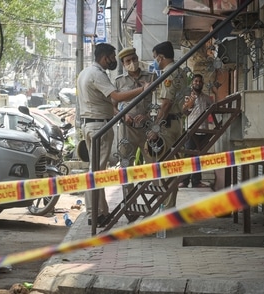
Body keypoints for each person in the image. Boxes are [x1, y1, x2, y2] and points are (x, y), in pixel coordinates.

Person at [77, 43, 150, 226]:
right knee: (96, 172)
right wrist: (142, 89)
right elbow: (116, 97)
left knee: (96, 170)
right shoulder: (98, 74)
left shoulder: (85, 73)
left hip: (92, 125)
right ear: (105, 57)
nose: (114, 61)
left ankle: (100, 212)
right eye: (112, 57)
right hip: (99, 126)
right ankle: (94, 214)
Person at [147, 41, 188, 209]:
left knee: (165, 166)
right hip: (177, 122)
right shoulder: (180, 72)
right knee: (173, 165)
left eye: (156, 57)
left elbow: (166, 104)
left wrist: (155, 128)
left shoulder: (168, 74)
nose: (155, 60)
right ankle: (168, 206)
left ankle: (166, 207)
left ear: (161, 57)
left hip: (167, 124)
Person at [114, 47, 157, 199]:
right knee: (126, 164)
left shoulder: (151, 77)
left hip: (147, 129)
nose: (132, 62)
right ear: (123, 64)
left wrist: (147, 115)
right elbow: (112, 106)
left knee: (153, 163)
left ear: (137, 58)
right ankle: (129, 201)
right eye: (128, 61)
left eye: (134, 59)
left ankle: (157, 199)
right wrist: (122, 116)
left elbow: (158, 102)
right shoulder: (119, 81)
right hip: (127, 129)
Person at [179, 73, 213, 188]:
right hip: (191, 130)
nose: (197, 83)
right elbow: (184, 112)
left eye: (199, 81)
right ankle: (184, 181)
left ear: (202, 83)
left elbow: (214, 106)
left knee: (199, 157)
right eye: (195, 81)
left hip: (204, 131)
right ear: (192, 83)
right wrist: (190, 103)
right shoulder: (188, 97)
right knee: (188, 155)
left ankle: (196, 181)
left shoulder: (206, 98)